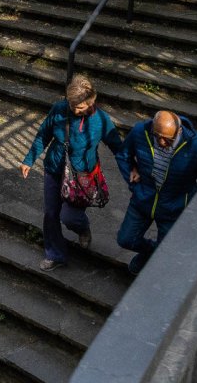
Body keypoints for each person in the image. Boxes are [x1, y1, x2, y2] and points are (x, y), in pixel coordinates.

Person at [20, 75, 124, 271]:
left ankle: (83, 229)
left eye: (81, 107)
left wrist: (132, 171)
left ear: (91, 102)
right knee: (51, 214)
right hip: (55, 169)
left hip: (82, 177)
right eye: (72, 105)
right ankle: (55, 254)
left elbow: (118, 148)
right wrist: (29, 159)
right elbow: (44, 134)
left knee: (69, 217)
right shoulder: (59, 109)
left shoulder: (101, 120)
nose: (76, 110)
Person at [117, 109, 197, 274]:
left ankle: (151, 264)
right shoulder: (140, 131)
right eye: (157, 136)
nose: (162, 142)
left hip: (172, 208)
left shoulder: (196, 146)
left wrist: (186, 200)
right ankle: (150, 251)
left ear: (179, 131)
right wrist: (132, 178)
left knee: (166, 256)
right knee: (125, 240)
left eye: (168, 139)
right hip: (142, 199)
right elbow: (123, 155)